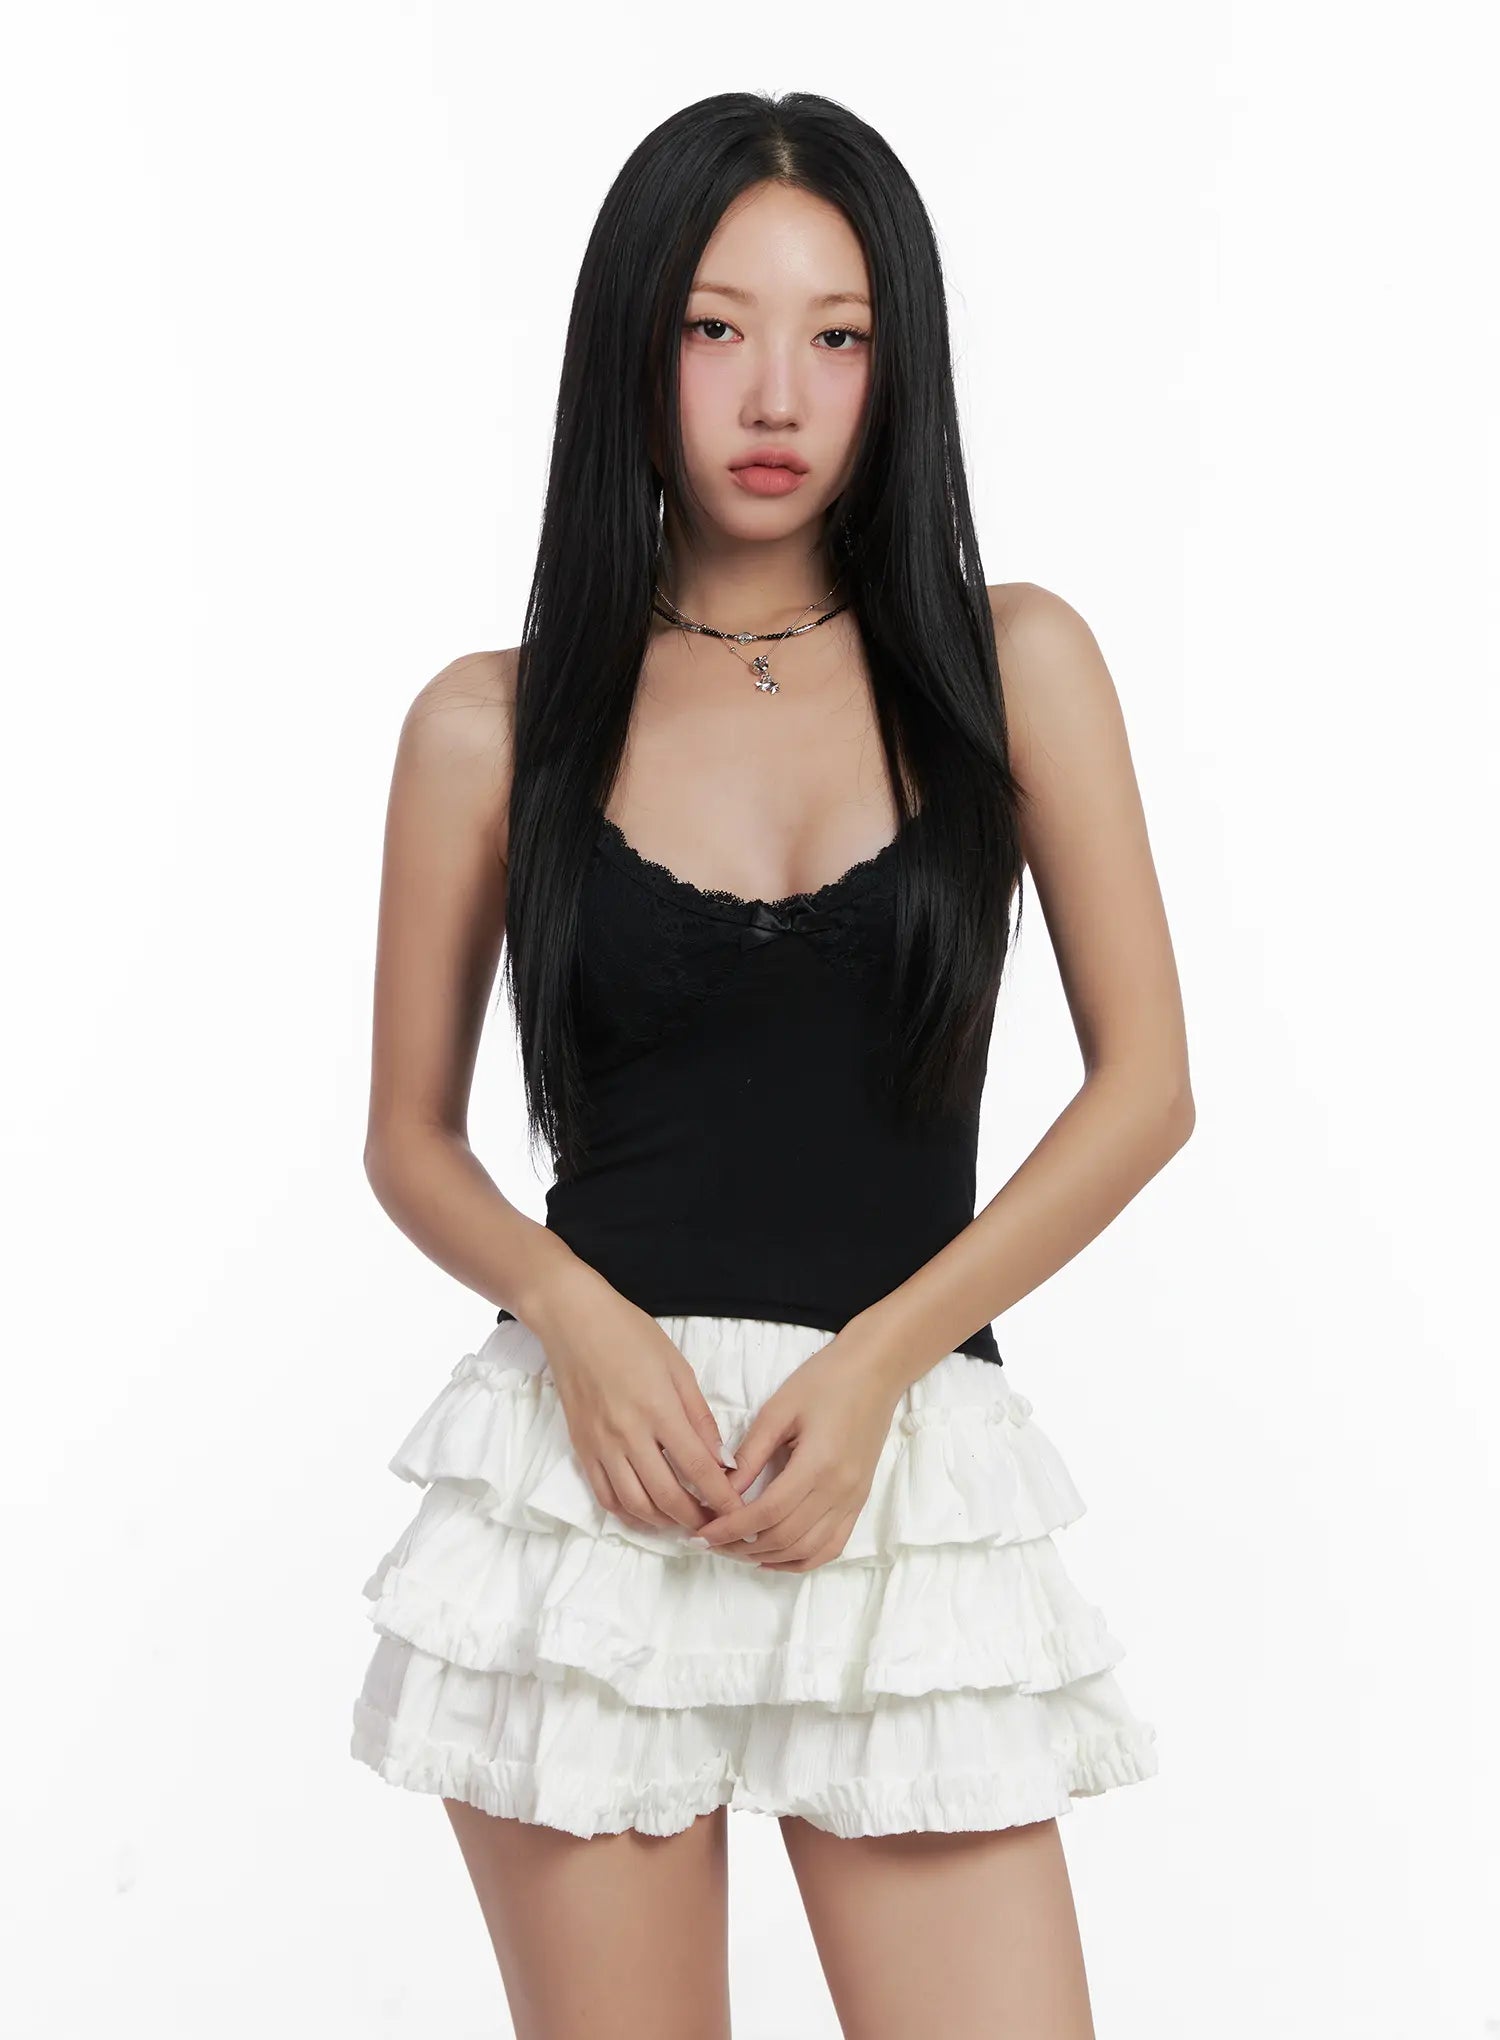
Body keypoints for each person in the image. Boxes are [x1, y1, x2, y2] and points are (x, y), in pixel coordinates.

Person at [350, 88, 1193, 2040]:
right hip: (587, 1487)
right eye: (717, 327)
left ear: (900, 366)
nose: (777, 394)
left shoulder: (1012, 665)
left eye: (840, 335)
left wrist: (887, 1359)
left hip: (900, 1474)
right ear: (634, 345)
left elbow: (1147, 1084)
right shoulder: (489, 725)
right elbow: (408, 1138)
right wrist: (574, 1317)